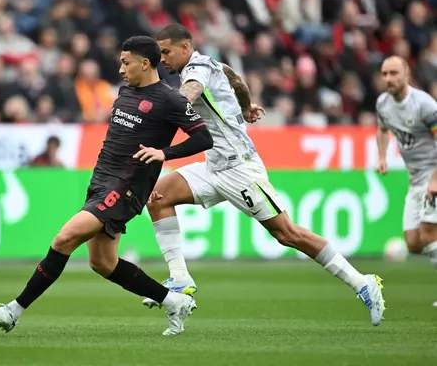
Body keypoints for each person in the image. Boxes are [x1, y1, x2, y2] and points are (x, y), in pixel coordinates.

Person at [139, 23, 386, 326]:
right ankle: (180, 279)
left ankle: (363, 283)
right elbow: (236, 79)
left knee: (287, 234)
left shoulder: (196, 71)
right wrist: (246, 107)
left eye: (166, 52)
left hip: (240, 169)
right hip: (214, 165)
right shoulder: (213, 63)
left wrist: (154, 113)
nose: (162, 59)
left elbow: (188, 94)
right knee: (158, 197)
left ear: (185, 48)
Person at [0, 36, 214, 336]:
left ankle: (14, 310)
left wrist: (163, 154)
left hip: (125, 188)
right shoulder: (125, 91)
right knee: (103, 263)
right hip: (101, 181)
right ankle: (173, 302)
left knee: (64, 239)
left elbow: (203, 138)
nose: (120, 69)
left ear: (145, 64)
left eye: (125, 62)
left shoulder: (170, 99)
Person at [376, 55, 437, 307]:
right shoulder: (383, 103)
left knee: (429, 234)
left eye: (394, 73)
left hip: (432, 174)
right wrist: (382, 157)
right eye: (384, 74)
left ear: (406, 75)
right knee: (413, 242)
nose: (388, 79)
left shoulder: (424, 105)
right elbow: (381, 129)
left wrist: (435, 179)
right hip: (415, 179)